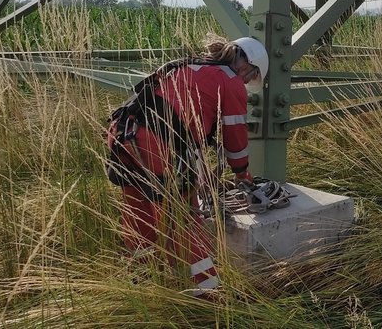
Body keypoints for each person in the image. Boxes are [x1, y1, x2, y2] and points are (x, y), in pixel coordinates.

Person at [105, 35, 268, 298]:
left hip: (123, 136)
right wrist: (242, 174)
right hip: (157, 144)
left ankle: (142, 280)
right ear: (247, 66)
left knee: (140, 211)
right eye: (250, 78)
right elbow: (235, 138)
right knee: (185, 216)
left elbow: (180, 123)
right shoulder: (230, 81)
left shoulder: (187, 66)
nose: (247, 84)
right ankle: (209, 294)